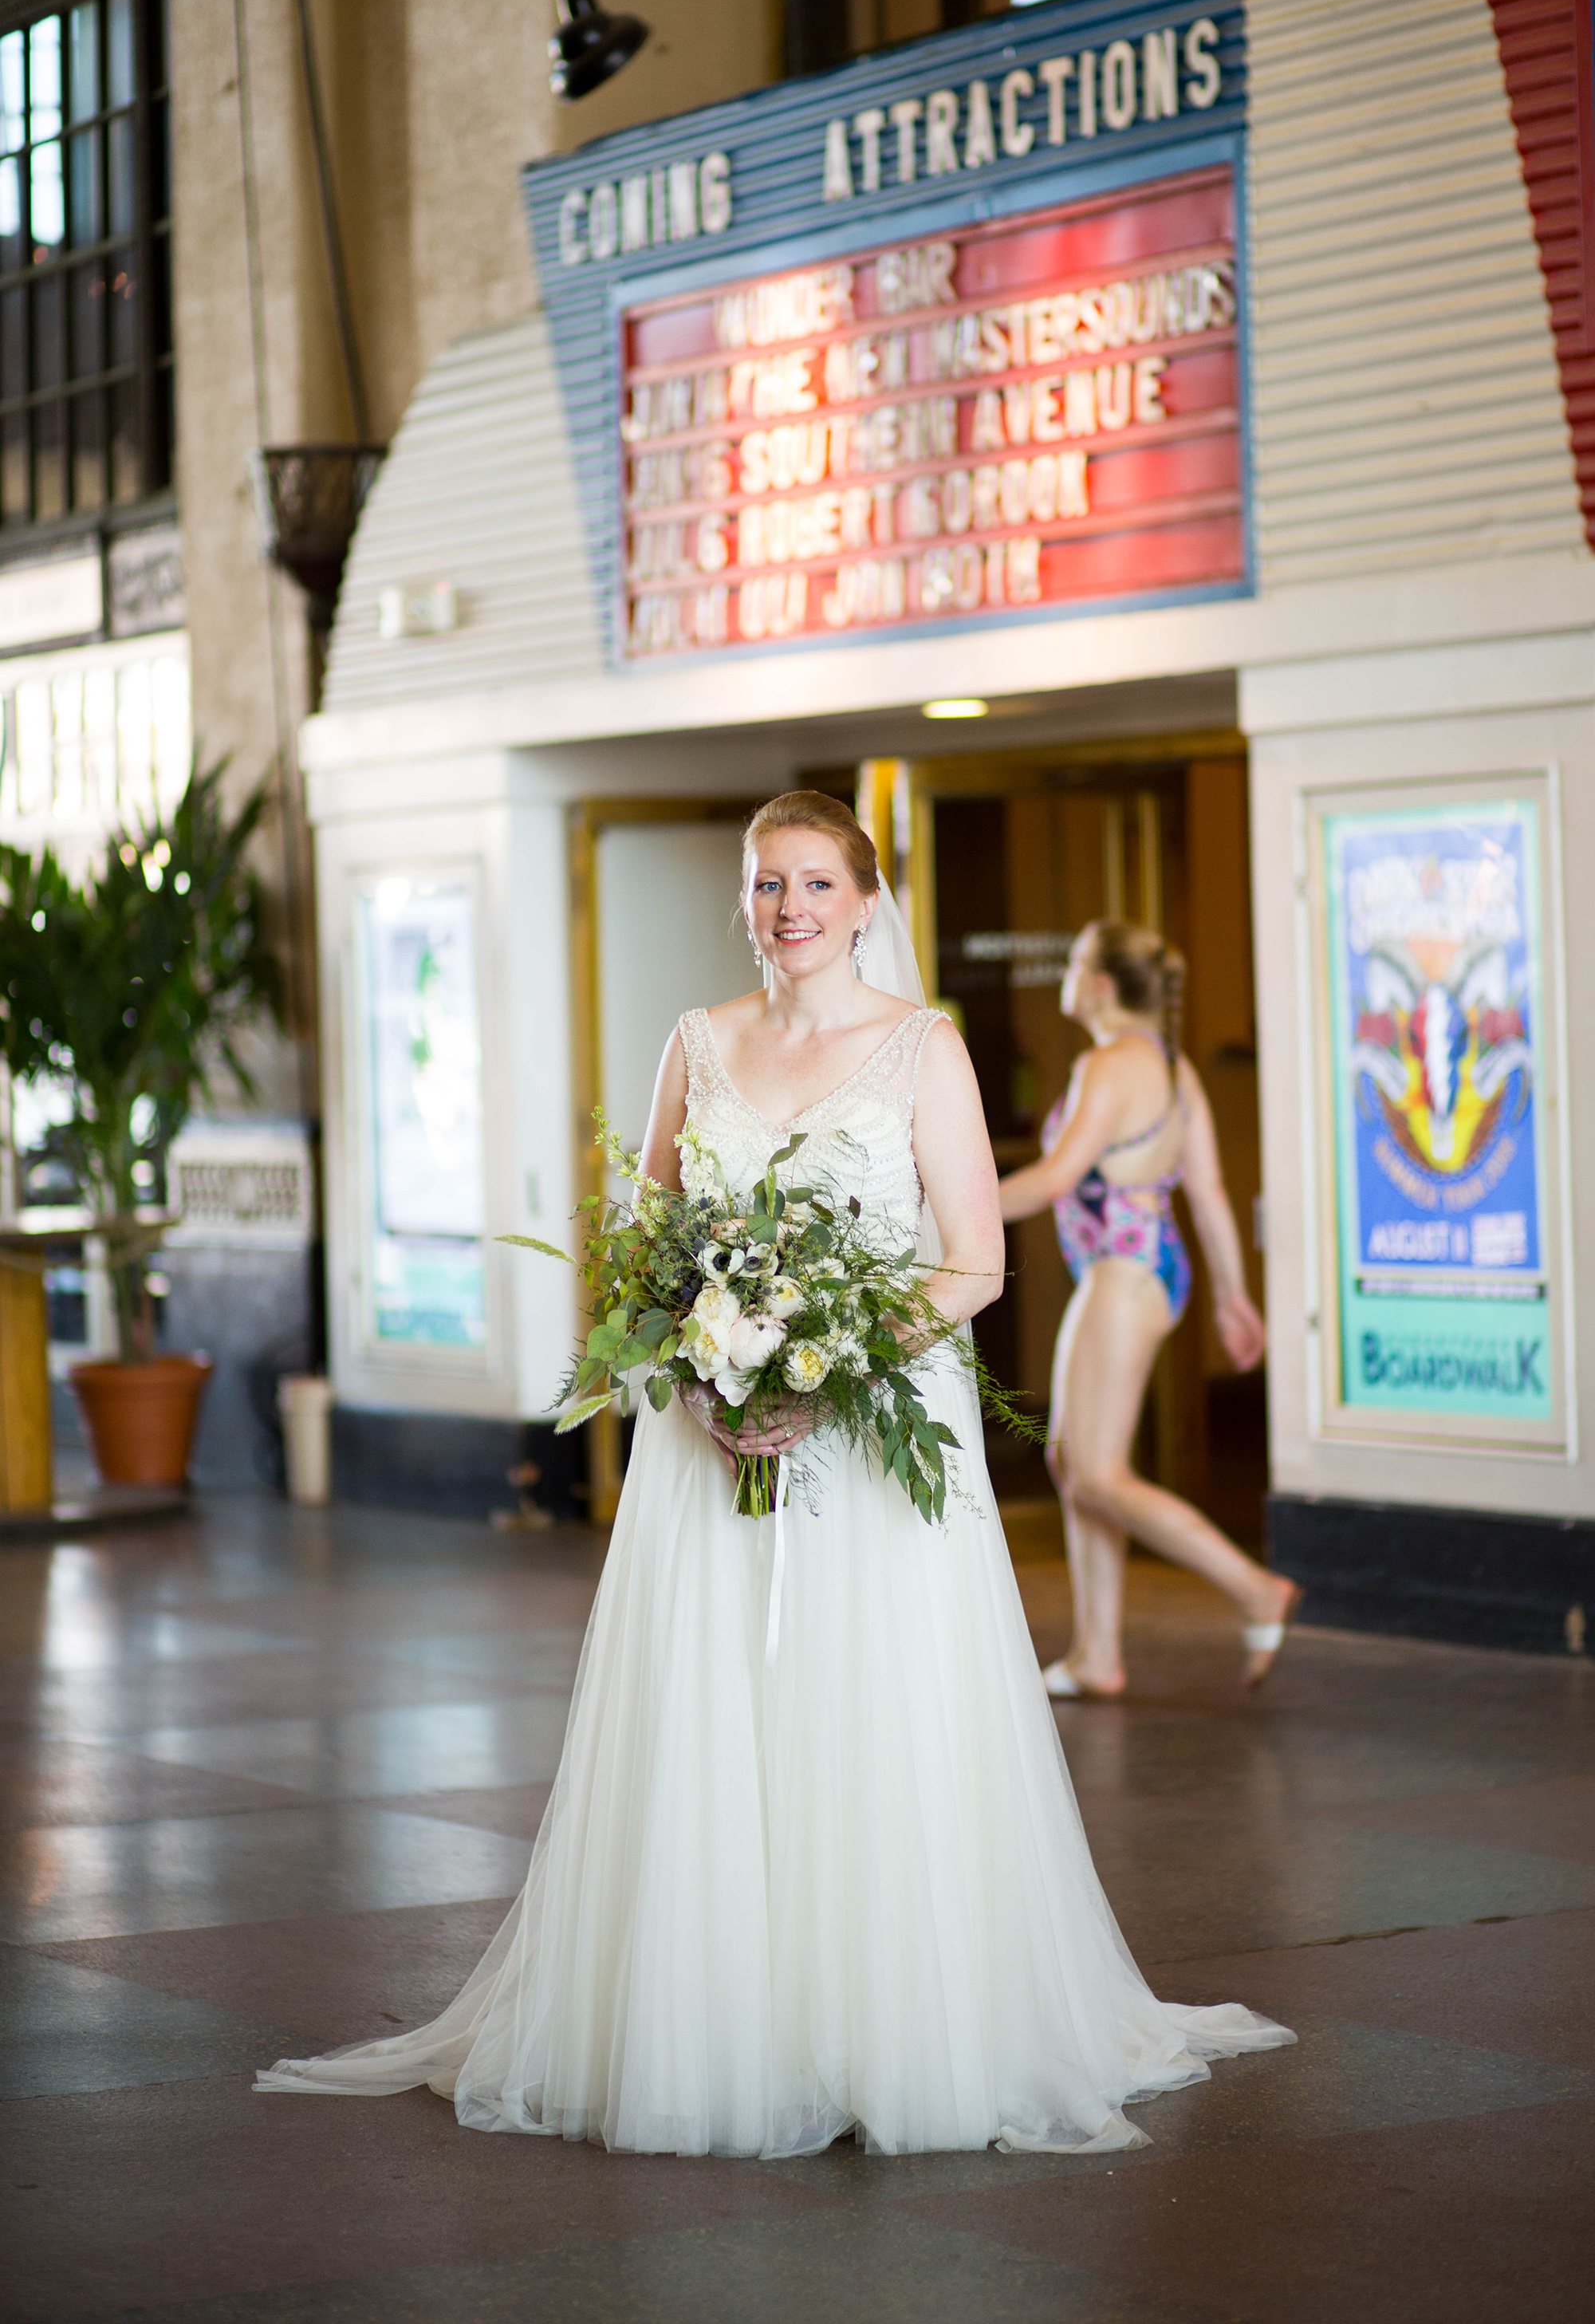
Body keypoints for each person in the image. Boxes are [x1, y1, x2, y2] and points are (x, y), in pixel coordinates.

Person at [257, 794, 1292, 2155]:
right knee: (720, 1711)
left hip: (871, 1439)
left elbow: (974, 1261)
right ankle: (724, 2023)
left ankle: (892, 2025)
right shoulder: (698, 1042)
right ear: (745, 903)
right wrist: (705, 1370)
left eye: (814, 883)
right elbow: (647, 1240)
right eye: (766, 885)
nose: (789, 907)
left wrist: (826, 1365)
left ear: (865, 902)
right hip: (709, 1445)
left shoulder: (923, 1049)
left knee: (873, 1709)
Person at [998, 920, 1300, 1700]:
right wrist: (1231, 1296)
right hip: (1153, 1273)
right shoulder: (1170, 1064)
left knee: (1093, 1471)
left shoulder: (1107, 1064)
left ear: (1098, 985)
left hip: (1120, 1275)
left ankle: (1251, 1588)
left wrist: (942, 1212)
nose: (1063, 975)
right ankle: (1096, 1653)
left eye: (1071, 963)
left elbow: (1055, 1177)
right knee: (1075, 1463)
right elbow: (1205, 1194)